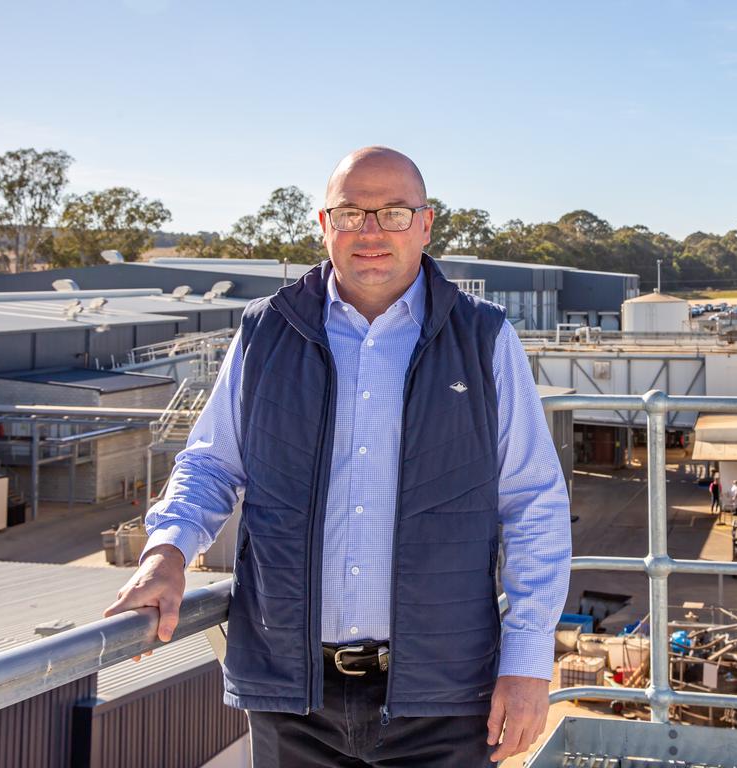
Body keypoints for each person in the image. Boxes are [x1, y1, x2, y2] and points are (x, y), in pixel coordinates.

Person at [104, 146, 572, 767]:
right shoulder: (266, 331)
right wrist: (166, 555)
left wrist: (528, 663)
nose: (372, 232)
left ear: (426, 225)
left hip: (447, 695)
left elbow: (532, 503)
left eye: (395, 213)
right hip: (292, 695)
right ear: (324, 225)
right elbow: (212, 465)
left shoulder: (484, 338)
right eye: (351, 213)